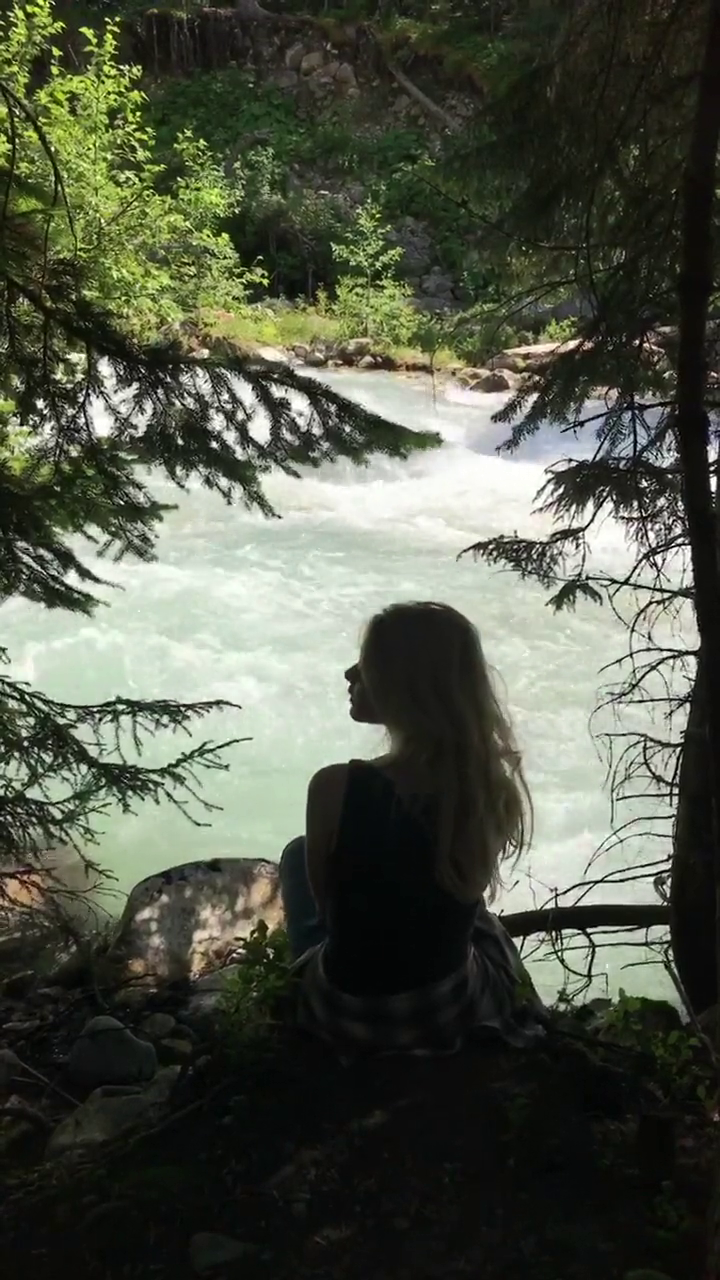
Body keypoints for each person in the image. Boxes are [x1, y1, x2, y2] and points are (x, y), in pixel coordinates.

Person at [279, 600, 547, 1056]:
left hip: (344, 1015)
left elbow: (330, 912)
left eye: (366, 665)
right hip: (447, 1013)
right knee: (480, 920)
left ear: (402, 685)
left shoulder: (333, 787)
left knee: (295, 856)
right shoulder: (486, 792)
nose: (350, 674)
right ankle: (532, 1013)